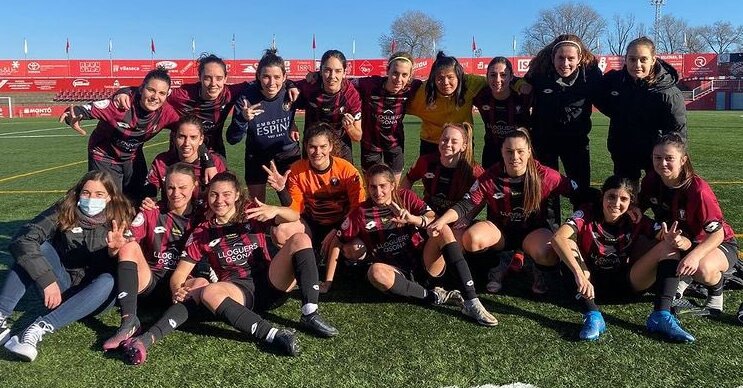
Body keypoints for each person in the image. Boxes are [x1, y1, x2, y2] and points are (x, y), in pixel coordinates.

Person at [120, 171, 338, 364]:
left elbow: (295, 217)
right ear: (207, 197)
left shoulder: (252, 213)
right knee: (209, 291)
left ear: (236, 195)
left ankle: (310, 312)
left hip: (271, 281)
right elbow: (179, 275)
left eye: (226, 194)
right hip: (238, 292)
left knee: (299, 238)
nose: (219, 200)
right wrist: (178, 288)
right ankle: (273, 335)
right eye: (214, 194)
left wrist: (275, 210)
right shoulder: (201, 232)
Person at [333, 164, 497, 326]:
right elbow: (338, 241)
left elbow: (433, 218)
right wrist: (327, 281)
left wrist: (413, 219)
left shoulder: (406, 197)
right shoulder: (360, 212)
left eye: (383, 186)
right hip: (396, 272)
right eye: (373, 187)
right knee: (375, 272)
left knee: (442, 229)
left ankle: (472, 301)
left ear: (392, 185)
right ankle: (432, 296)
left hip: (424, 264)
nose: (378, 192)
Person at [1, 170, 135, 361]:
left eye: (99, 194)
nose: (91, 199)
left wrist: (114, 251)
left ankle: (38, 329)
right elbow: (23, 238)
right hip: (61, 285)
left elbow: (127, 268)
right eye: (86, 193)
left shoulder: (121, 217)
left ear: (110, 197)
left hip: (94, 298)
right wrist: (47, 280)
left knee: (108, 279)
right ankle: (0, 315)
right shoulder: (65, 209)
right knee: (33, 248)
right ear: (79, 193)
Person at [429, 129, 578, 295]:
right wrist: (441, 221)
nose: (514, 157)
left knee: (548, 252)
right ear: (501, 152)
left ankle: (535, 267)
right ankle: (500, 262)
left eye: (520, 151)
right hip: (500, 232)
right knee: (471, 239)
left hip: (533, 232)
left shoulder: (545, 175)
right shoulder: (490, 176)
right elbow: (466, 204)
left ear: (529, 151)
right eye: (509, 151)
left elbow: (578, 192)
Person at [552, 175, 695, 342]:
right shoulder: (587, 213)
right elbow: (558, 238)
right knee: (567, 244)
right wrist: (578, 274)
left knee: (669, 248)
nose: (616, 203)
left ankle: (661, 315)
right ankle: (593, 315)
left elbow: (682, 243)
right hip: (588, 285)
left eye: (624, 199)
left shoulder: (636, 219)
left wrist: (680, 241)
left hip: (626, 282)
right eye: (611, 196)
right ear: (602, 196)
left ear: (631, 202)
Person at [102, 163, 207, 351]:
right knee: (129, 247)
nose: (176, 193)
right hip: (150, 282)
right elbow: (128, 240)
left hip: (182, 284)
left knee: (201, 285)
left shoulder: (204, 214)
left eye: (182, 188)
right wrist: (116, 247)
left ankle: (149, 337)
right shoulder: (152, 210)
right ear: (164, 187)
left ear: (195, 186)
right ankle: (128, 323)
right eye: (171, 188)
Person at [640, 133, 739, 315]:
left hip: (715, 243)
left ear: (683, 160)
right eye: (658, 158)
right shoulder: (651, 181)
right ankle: (683, 280)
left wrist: (694, 256)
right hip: (680, 241)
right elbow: (638, 209)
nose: (662, 163)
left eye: (669, 158)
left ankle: (715, 299)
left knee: (701, 268)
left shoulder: (698, 191)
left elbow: (717, 234)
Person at [59, 68, 181, 202]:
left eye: (162, 93)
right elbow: (85, 109)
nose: (155, 97)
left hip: (132, 157)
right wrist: (71, 116)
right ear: (141, 89)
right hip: (103, 156)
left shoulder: (166, 113)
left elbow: (187, 128)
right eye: (151, 90)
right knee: (108, 202)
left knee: (139, 200)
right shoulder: (121, 104)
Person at [524, 34, 602, 224]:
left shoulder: (590, 75)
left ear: (580, 58)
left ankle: (581, 230)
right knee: (547, 190)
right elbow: (522, 91)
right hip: (544, 141)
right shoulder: (539, 73)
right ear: (553, 58)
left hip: (576, 141)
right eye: (561, 58)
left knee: (580, 190)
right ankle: (549, 233)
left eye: (570, 58)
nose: (565, 63)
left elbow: (608, 96)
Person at [114, 54, 250, 157]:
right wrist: (123, 92)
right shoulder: (182, 95)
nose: (213, 83)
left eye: (219, 78)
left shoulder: (230, 93)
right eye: (207, 77)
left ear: (225, 79)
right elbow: (150, 91)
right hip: (180, 155)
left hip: (214, 154)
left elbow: (259, 84)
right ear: (200, 76)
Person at [271, 124, 366, 263]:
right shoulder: (297, 170)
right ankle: (309, 254)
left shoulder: (347, 170)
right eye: (312, 147)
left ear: (331, 147)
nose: (317, 152)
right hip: (312, 225)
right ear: (305, 147)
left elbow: (357, 208)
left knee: (358, 248)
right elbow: (295, 211)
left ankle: (341, 261)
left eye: (323, 146)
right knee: (279, 233)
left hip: (341, 224)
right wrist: (281, 190)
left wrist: (338, 231)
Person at [597, 36, 687, 182]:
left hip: (656, 156)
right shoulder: (613, 81)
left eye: (643, 59)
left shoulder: (668, 92)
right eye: (632, 59)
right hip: (623, 152)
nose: (637, 65)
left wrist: (671, 157)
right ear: (625, 59)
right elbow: (598, 97)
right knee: (626, 198)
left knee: (658, 198)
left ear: (653, 59)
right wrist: (617, 114)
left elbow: (678, 131)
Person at [227, 48, 301, 202]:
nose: (272, 83)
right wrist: (242, 118)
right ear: (258, 76)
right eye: (266, 77)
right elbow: (232, 139)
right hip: (257, 157)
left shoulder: (292, 92)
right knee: (256, 206)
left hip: (288, 155)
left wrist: (292, 123)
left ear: (285, 77)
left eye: (277, 77)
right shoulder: (247, 97)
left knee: (293, 205)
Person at [401, 122, 483, 241]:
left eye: (454, 141)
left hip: (455, 220)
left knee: (454, 237)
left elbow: (482, 198)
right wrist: (403, 204)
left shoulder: (473, 171)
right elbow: (409, 179)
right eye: (444, 139)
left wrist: (468, 217)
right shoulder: (426, 161)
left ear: (464, 146)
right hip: (429, 215)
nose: (448, 144)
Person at [353, 51, 423, 181]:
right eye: (395, 73)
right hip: (370, 145)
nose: (399, 79)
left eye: (404, 75)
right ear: (387, 71)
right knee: (372, 189)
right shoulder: (370, 84)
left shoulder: (414, 87)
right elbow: (342, 83)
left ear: (410, 76)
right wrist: (317, 75)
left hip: (395, 145)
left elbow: (437, 83)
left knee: (394, 190)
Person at [406, 52, 487, 156]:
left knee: (464, 172)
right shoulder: (423, 93)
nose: (445, 82)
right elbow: (399, 104)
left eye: (450, 77)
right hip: (432, 143)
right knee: (429, 172)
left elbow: (499, 82)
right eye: (440, 78)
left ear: (459, 76)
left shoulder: (470, 83)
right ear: (433, 79)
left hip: (462, 142)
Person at [143, 115, 227, 209]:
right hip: (172, 216)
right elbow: (150, 196)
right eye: (182, 137)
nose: (187, 143)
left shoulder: (215, 163)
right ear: (174, 138)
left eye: (193, 137)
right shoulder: (162, 162)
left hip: (204, 218)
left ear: (201, 139)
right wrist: (149, 202)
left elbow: (228, 196)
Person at [295, 49, 362, 162]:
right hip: (314, 147)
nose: (332, 76)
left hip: (340, 148)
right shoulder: (310, 86)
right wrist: (292, 124)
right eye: (327, 70)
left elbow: (357, 137)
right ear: (320, 71)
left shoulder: (351, 95)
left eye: (338, 71)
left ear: (344, 72)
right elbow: (284, 91)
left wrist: (349, 127)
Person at [472, 57, 531, 169]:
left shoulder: (523, 96)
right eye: (493, 75)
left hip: (518, 152)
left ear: (511, 77)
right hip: (491, 152)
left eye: (503, 75)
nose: (498, 80)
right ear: (487, 77)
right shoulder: (481, 96)